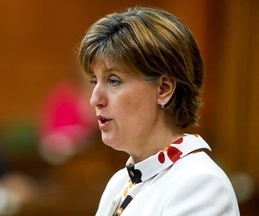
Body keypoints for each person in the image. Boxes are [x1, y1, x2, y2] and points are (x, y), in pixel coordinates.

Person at [78, 6, 240, 216]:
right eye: (94, 81)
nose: (95, 100)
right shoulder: (119, 183)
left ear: (163, 89)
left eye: (114, 81)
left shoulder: (200, 184)